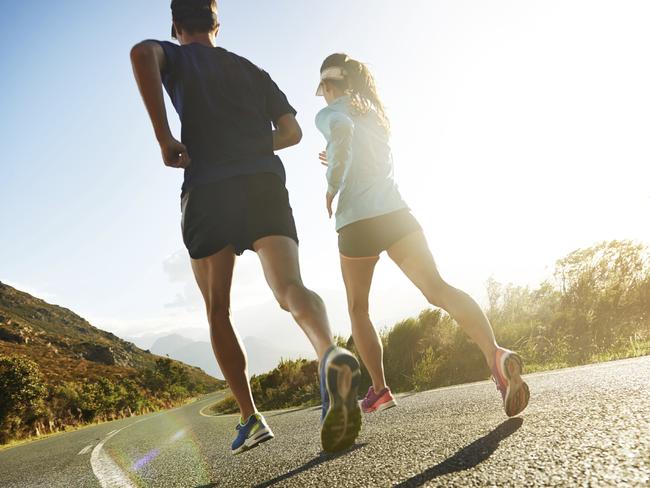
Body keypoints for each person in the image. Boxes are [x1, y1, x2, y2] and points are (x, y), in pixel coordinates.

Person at [130, 1, 361, 454]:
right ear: (217, 23)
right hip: (262, 182)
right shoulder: (252, 70)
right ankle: (329, 353)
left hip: (209, 187)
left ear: (176, 26)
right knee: (289, 288)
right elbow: (292, 133)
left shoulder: (175, 55)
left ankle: (251, 418)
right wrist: (252, 145)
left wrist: (164, 137)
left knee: (219, 309)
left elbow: (141, 53)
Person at [315, 53, 530, 417]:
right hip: (396, 215)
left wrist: (332, 184)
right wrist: (336, 154)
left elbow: (341, 132)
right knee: (439, 289)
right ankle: (495, 353)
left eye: (323, 89)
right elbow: (357, 149)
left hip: (357, 222)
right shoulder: (375, 113)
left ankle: (380, 390)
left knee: (358, 308)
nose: (323, 97)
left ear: (330, 85)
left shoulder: (331, 112)